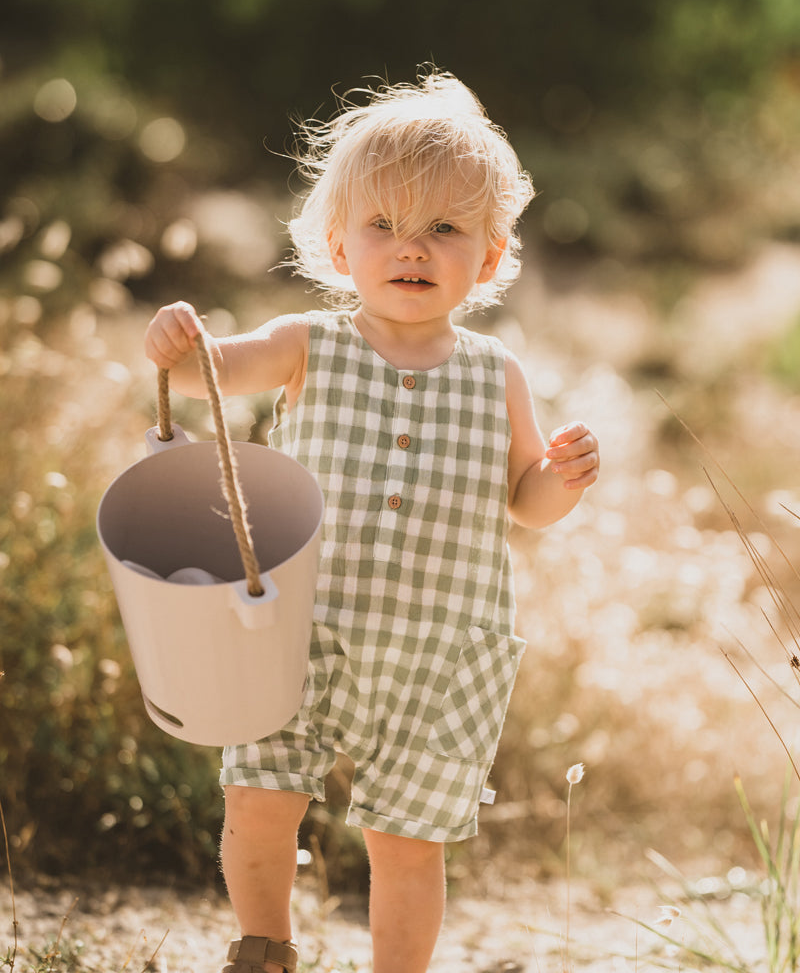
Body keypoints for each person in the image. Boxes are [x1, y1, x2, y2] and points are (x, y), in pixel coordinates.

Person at [144, 71, 599, 973]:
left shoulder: (495, 371)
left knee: (408, 840)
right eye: (383, 225)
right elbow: (206, 371)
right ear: (340, 248)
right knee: (260, 799)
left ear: (493, 253)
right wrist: (175, 346)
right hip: (299, 629)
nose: (412, 249)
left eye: (444, 228)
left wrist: (562, 479)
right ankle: (264, 946)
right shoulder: (306, 343)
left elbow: (527, 504)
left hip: (440, 649)